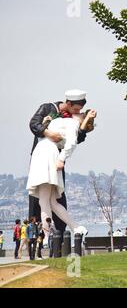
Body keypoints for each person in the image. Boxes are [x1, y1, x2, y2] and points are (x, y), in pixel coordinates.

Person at [26, 95, 96, 239]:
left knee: (46, 200)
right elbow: (34, 123)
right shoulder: (48, 108)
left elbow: (76, 139)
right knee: (47, 200)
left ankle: (48, 236)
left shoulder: (71, 122)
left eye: (80, 111)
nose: (77, 112)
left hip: (51, 157)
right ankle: (72, 228)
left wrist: (86, 120)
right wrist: (48, 132)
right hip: (46, 157)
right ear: (68, 103)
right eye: (76, 109)